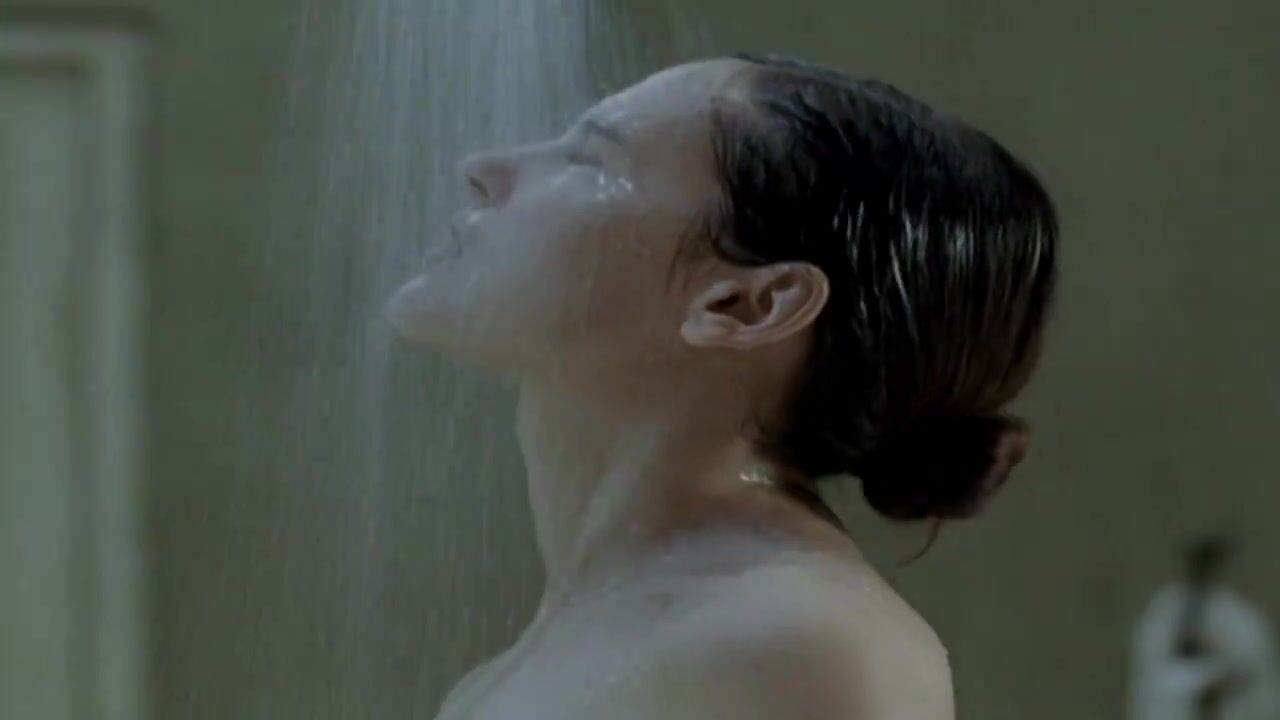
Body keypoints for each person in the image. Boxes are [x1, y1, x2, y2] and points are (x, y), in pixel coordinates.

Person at [388, 54, 1058, 720]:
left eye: (592, 163)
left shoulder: (797, 645)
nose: (483, 169)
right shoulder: (556, 655)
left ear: (745, 305)